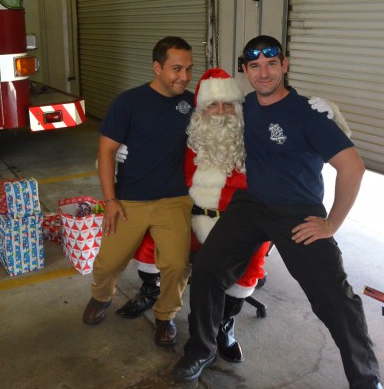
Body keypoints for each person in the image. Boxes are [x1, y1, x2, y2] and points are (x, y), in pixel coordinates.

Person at [173, 35, 383, 389]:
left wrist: (332, 223)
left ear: (284, 65)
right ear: (245, 71)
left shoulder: (309, 114)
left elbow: (352, 167)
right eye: (255, 66)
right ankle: (202, 348)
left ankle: (366, 380)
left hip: (298, 212)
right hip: (252, 204)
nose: (264, 73)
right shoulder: (245, 106)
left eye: (272, 64)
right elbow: (204, 122)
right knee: (207, 267)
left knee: (334, 297)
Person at [114, 68, 271, 363]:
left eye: (228, 105)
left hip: (233, 225)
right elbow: (149, 152)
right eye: (213, 104)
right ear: (201, 110)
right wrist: (121, 154)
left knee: (251, 259)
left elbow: (288, 132)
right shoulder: (187, 138)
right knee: (150, 237)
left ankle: (224, 322)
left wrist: (323, 114)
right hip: (186, 217)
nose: (221, 112)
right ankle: (152, 291)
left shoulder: (253, 140)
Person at [82, 36, 195, 348]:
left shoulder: (191, 103)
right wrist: (110, 200)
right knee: (107, 263)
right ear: (156, 67)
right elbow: (106, 152)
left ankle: (165, 315)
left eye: (188, 68)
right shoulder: (127, 103)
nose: (184, 76)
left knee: (176, 264)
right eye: (176, 69)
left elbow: (227, 118)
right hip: (128, 197)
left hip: (173, 197)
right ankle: (101, 297)